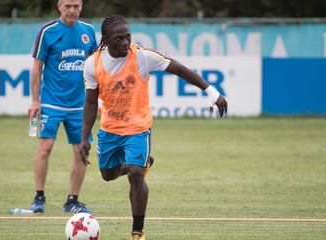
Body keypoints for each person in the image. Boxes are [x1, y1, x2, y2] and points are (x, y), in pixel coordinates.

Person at [80, 15, 228, 240]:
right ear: (106, 40)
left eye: (127, 37)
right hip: (110, 128)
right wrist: (85, 138)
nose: (125, 42)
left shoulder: (142, 57)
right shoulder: (93, 63)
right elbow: (91, 103)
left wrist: (211, 91)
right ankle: (140, 164)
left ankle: (137, 231)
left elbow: (178, 69)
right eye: (118, 38)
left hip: (139, 127)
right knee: (108, 175)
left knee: (136, 175)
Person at [28, 0, 97, 214]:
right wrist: (35, 100)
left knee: (81, 151)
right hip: (50, 103)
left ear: (81, 7)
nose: (72, 10)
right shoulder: (47, 31)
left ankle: (72, 200)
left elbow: (96, 68)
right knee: (45, 147)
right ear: (59, 6)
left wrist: (98, 101)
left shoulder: (88, 31)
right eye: (67, 6)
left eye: (76, 6)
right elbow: (36, 68)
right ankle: (39, 197)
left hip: (79, 106)